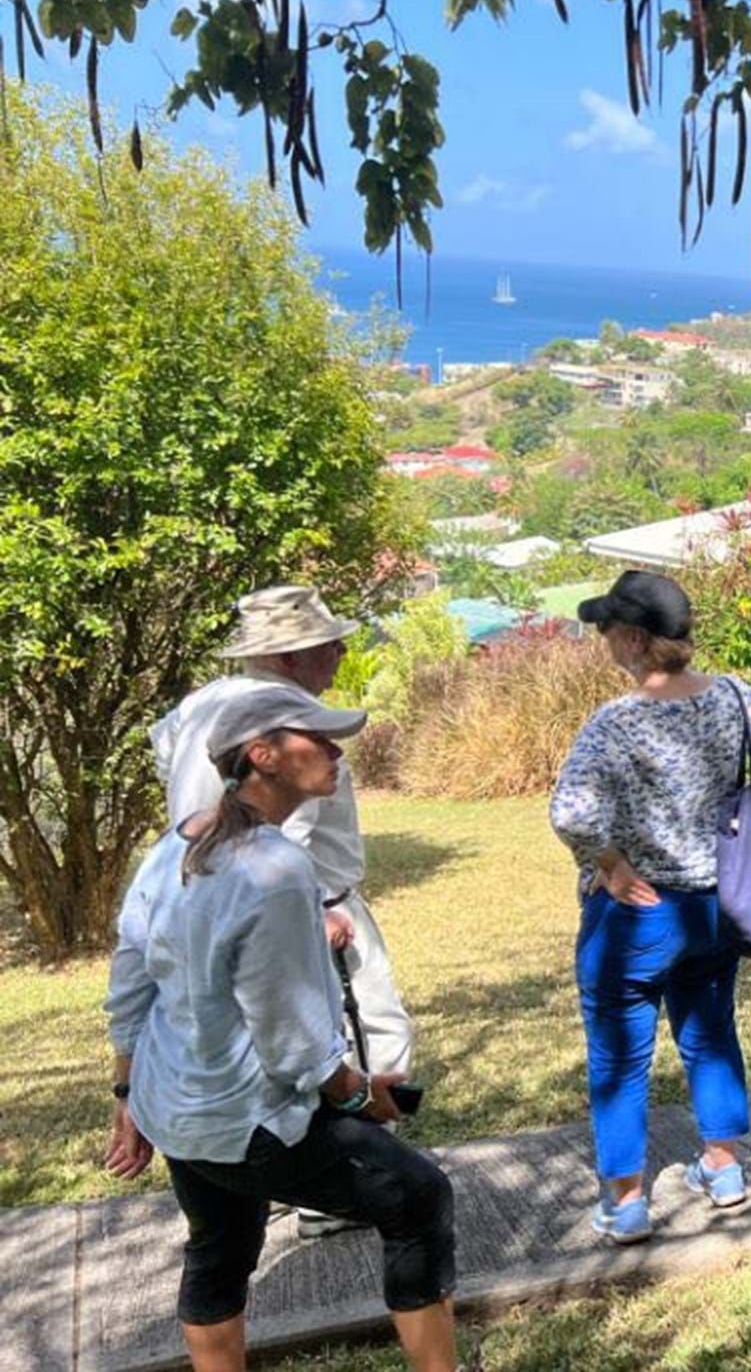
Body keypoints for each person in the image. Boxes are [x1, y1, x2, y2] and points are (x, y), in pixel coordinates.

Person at [104, 685, 458, 1372]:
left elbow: (129, 978)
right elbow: (292, 1037)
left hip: (175, 1106)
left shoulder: (174, 844)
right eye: (316, 738)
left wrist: (126, 1094)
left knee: (221, 1242)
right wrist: (359, 1094)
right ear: (262, 756)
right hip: (246, 1116)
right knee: (418, 1195)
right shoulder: (277, 868)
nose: (334, 750)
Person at [550, 571, 751, 1244]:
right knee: (709, 1030)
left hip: (639, 913)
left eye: (610, 628)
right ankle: (723, 1168)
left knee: (618, 1052)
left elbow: (571, 812)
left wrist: (608, 864)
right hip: (716, 906)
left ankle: (626, 1201)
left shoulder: (617, 722)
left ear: (635, 639)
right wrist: (749, 816)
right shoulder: (733, 696)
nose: (605, 639)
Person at [150, 584, 415, 1240]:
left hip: (204, 893)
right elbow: (282, 823)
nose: (341, 651)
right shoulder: (294, 720)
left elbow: (169, 765)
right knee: (367, 1034)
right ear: (292, 656)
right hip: (309, 897)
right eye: (328, 642)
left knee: (248, 1039)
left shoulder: (198, 706)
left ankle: (290, 1178)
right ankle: (344, 1186)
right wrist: (315, 908)